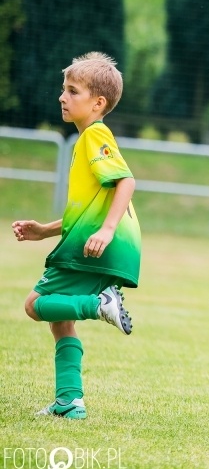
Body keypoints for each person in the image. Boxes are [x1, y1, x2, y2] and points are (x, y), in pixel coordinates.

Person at [11, 52, 141, 420]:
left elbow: (126, 181)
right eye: (63, 89)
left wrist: (108, 228)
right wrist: (44, 231)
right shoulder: (86, 139)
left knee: (36, 305)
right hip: (99, 244)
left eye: (72, 91)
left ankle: (99, 304)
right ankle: (70, 401)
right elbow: (88, 208)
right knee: (59, 320)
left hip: (98, 245)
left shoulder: (94, 135)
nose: (62, 97)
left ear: (98, 103)